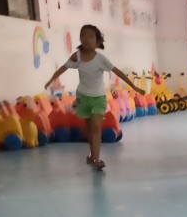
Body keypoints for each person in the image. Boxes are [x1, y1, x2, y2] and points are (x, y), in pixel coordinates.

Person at [45, 25, 144, 169]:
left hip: (98, 98)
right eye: (83, 35)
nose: (86, 39)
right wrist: (50, 80)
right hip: (83, 97)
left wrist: (133, 86)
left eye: (90, 36)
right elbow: (63, 68)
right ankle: (92, 153)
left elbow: (117, 72)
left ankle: (97, 159)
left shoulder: (101, 59)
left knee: (96, 126)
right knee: (89, 129)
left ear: (97, 41)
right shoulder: (77, 56)